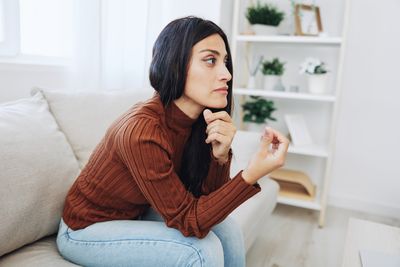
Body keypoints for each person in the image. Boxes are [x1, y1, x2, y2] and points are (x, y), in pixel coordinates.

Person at [56, 16, 289, 267]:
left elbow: (207, 205)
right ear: (174, 64)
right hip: (84, 230)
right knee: (201, 250)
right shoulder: (142, 130)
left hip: (136, 214)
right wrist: (250, 175)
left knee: (228, 230)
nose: (226, 74)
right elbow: (191, 221)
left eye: (225, 62)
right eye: (210, 60)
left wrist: (219, 158)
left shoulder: (201, 119)